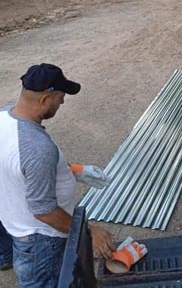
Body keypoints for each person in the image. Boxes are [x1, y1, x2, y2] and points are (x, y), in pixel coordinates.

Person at [0, 64, 115, 288]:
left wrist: (73, 170)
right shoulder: (37, 147)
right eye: (60, 97)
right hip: (41, 240)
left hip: (18, 226)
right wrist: (89, 232)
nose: (62, 102)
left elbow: (17, 165)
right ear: (45, 99)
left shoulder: (4, 116)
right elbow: (44, 211)